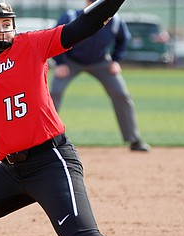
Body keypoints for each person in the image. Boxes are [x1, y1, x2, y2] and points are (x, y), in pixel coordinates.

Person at [0, 0, 131, 236]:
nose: (1, 30)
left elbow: (86, 24)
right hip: (12, 171)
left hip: (51, 162)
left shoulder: (32, 44)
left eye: (6, 24)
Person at [50, 0, 150, 152]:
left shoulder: (114, 19)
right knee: (54, 93)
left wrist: (116, 60)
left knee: (121, 94)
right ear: (87, 2)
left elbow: (123, 39)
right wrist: (60, 62)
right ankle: (45, 141)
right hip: (70, 62)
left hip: (101, 62)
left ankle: (134, 139)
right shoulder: (71, 16)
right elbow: (55, 37)